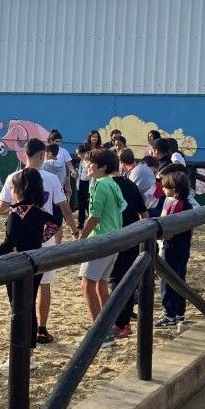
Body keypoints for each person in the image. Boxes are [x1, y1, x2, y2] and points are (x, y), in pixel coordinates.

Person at [0, 138, 78, 345]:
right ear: (42, 155)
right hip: (44, 235)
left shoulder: (12, 177)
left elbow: (1, 207)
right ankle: (41, 328)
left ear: (25, 153)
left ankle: (26, 334)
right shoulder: (51, 178)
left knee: (19, 288)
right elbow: (64, 208)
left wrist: (19, 207)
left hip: (21, 237)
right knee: (44, 284)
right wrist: (73, 230)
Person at [0, 168, 57, 371]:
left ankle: (18, 356)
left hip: (17, 266)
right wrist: (38, 241)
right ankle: (29, 354)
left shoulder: (16, 213)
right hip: (36, 264)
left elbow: (8, 244)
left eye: (13, 187)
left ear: (19, 189)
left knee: (17, 310)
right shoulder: (40, 212)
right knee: (29, 306)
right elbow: (55, 224)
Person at [79, 148, 126, 348]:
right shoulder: (113, 184)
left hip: (99, 240)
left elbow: (95, 215)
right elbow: (122, 207)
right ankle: (108, 326)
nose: (88, 166)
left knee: (87, 285)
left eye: (92, 163)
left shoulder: (99, 185)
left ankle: (101, 334)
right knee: (101, 285)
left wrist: (81, 237)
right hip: (114, 238)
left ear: (102, 167)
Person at [109, 157, 149, 338]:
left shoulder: (105, 186)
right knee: (128, 276)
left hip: (113, 238)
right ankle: (123, 321)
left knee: (115, 279)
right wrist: (144, 234)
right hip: (132, 236)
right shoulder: (130, 185)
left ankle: (118, 322)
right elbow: (144, 213)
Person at [156, 170, 194, 328]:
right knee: (179, 278)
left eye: (166, 187)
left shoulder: (175, 205)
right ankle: (179, 312)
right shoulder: (187, 204)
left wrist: (158, 235)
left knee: (168, 279)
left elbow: (167, 228)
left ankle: (169, 314)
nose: (163, 189)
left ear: (175, 190)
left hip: (172, 246)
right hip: (183, 245)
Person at [121, 149, 157, 213]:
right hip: (153, 202)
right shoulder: (141, 167)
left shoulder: (135, 173)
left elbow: (131, 195)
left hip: (151, 206)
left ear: (121, 163)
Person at [75, 143, 92, 230]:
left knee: (87, 204)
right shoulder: (81, 161)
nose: (78, 156)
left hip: (87, 184)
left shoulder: (88, 161)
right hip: (80, 184)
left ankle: (91, 221)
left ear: (84, 152)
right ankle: (80, 222)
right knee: (81, 204)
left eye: (79, 154)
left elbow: (90, 175)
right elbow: (81, 174)